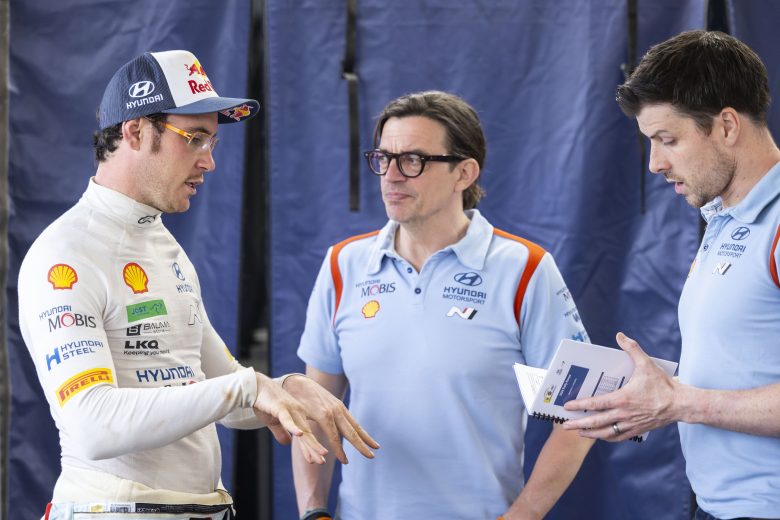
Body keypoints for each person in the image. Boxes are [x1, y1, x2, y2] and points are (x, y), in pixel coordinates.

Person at [18, 50, 378, 520]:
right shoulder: (65, 253)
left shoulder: (162, 244)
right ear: (135, 132)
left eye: (213, 142)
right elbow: (92, 425)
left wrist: (285, 389)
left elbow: (221, 392)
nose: (209, 162)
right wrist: (249, 387)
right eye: (194, 139)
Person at [291, 90, 594, 520]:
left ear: (464, 173)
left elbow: (581, 414)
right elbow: (314, 410)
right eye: (383, 158)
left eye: (412, 160)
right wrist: (313, 511)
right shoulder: (344, 264)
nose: (391, 175)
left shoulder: (525, 269)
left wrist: (522, 515)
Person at [561, 31, 780, 520]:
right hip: (718, 506)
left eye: (668, 140)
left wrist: (679, 402)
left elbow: (692, 402)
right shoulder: (725, 219)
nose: (656, 164)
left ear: (726, 126)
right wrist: (651, 397)